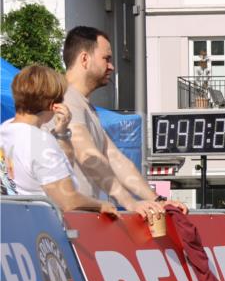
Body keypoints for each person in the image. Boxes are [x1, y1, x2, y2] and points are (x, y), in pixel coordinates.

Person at [47, 26, 187, 220]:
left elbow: (115, 159)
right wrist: (130, 203)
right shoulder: (66, 98)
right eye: (106, 58)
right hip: (68, 224)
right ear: (84, 59)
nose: (112, 66)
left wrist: (157, 199)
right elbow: (88, 155)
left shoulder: (84, 105)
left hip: (82, 221)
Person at [0, 64, 117, 217]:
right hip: (44, 230)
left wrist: (61, 132)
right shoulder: (40, 141)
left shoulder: (5, 129)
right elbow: (67, 201)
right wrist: (101, 205)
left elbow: (59, 167)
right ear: (52, 105)